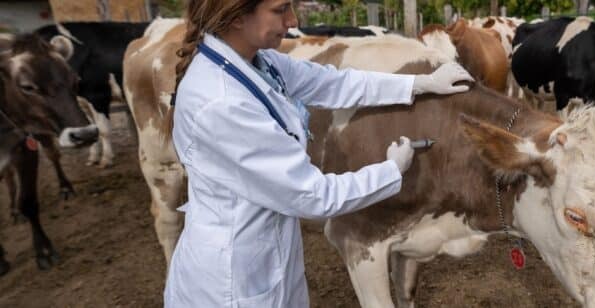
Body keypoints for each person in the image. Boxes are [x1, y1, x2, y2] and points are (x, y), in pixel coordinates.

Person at [163, 0, 473, 307]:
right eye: (281, 9)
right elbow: (313, 196)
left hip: (266, 250)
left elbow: (332, 82)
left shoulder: (259, 63)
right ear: (236, 17)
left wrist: (419, 83)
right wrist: (392, 170)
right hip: (233, 282)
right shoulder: (221, 101)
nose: (294, 21)